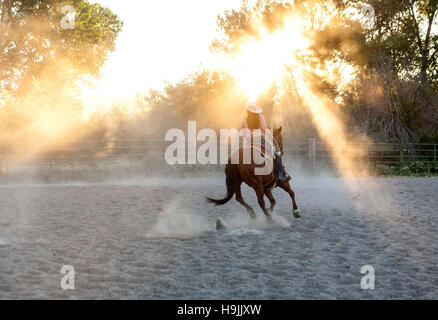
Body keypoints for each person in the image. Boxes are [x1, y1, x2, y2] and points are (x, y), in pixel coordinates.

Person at [239, 102, 291, 183]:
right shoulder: (260, 117)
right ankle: (280, 174)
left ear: (247, 111)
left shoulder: (244, 120)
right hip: (261, 139)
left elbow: (244, 132)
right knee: (277, 153)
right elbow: (264, 127)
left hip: (249, 141)